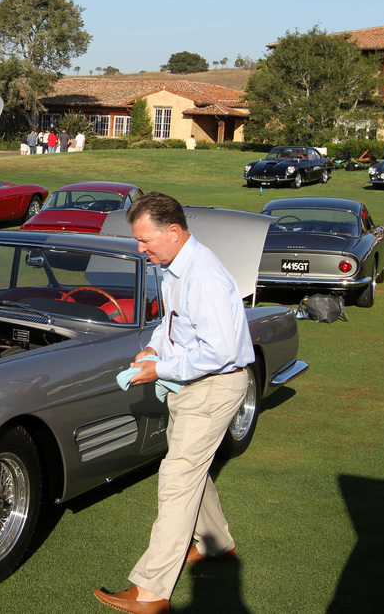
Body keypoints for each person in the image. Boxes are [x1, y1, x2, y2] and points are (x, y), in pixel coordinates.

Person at [94, 192, 253, 614]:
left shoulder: (203, 276)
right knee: (191, 470)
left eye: (146, 241)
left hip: (216, 386)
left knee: (177, 478)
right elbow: (174, 323)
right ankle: (217, 545)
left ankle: (151, 591)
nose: (140, 250)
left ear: (174, 232)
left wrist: (161, 370)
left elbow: (218, 351)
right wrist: (153, 351)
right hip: (195, 385)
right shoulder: (172, 267)